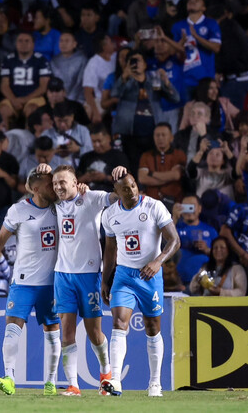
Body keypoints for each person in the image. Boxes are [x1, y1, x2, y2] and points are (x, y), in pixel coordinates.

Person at [0, 168, 61, 396]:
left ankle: (51, 382)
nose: (54, 188)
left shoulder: (62, 206)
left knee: (53, 330)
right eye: (49, 185)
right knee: (12, 327)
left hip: (51, 283)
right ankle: (9, 378)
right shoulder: (19, 210)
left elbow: (75, 188)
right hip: (23, 282)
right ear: (35, 189)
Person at [100, 172, 180, 397]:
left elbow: (174, 240)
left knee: (152, 327)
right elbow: (110, 249)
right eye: (125, 189)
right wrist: (106, 280)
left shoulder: (154, 207)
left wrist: (158, 261)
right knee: (118, 323)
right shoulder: (110, 215)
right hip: (124, 275)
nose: (132, 191)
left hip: (150, 276)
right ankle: (115, 380)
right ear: (117, 192)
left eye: (133, 186)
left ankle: (155, 383)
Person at [49, 164, 126, 396]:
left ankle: (105, 373)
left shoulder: (91, 198)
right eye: (55, 184)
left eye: (63, 182)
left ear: (75, 182)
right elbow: (30, 191)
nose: (58, 187)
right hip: (63, 275)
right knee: (67, 332)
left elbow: (117, 196)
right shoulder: (54, 205)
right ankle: (73, 385)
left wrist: (121, 176)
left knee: (94, 333)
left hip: (89, 275)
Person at [171, 0, 221, 96]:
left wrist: (197, 37)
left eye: (196, 1)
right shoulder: (177, 26)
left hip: (205, 79)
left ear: (204, 8)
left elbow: (216, 48)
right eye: (190, 1)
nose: (192, 2)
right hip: (185, 80)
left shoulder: (211, 23)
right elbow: (174, 53)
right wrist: (182, 42)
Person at [0, 31, 51, 127]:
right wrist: (14, 100)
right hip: (13, 98)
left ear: (33, 44)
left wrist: (25, 99)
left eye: (27, 41)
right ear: (16, 43)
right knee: (3, 110)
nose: (23, 44)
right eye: (20, 41)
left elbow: (43, 87)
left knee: (32, 109)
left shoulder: (41, 60)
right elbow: (4, 85)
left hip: (34, 98)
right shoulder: (8, 60)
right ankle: (3, 139)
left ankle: (30, 138)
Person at [172, 195, 219, 286]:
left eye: (192, 206)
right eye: (186, 207)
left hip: (204, 283)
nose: (190, 210)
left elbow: (222, 256)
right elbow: (164, 244)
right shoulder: (175, 227)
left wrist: (207, 250)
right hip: (179, 282)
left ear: (200, 209)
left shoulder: (211, 231)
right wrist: (174, 218)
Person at [138, 123, 186, 205]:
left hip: (174, 201)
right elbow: (142, 178)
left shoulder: (179, 154)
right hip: (150, 202)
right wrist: (168, 177)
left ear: (171, 138)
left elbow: (176, 175)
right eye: (157, 135)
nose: (160, 138)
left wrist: (151, 173)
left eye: (163, 135)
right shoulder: (146, 156)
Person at [78, 123, 131, 192]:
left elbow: (127, 181)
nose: (97, 145)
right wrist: (85, 178)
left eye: (99, 141)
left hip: (112, 195)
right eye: (94, 141)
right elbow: (75, 181)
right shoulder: (85, 158)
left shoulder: (119, 157)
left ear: (108, 138)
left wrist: (105, 178)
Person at [41, 102, 93, 168]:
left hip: (79, 169)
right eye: (59, 121)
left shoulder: (82, 130)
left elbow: (91, 150)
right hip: (54, 170)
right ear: (54, 118)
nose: (63, 124)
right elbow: (39, 154)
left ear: (72, 117)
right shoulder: (46, 134)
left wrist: (78, 149)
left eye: (66, 121)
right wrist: (52, 152)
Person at [51, 33, 87, 105]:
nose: (63, 44)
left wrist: (69, 99)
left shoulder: (82, 59)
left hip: (79, 99)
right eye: (61, 41)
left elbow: (80, 82)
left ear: (74, 44)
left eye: (67, 41)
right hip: (58, 99)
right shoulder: (54, 60)